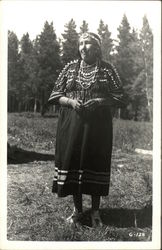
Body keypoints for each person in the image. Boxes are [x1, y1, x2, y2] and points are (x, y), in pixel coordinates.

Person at [48, 32, 126, 227]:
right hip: (71, 125)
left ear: (97, 47)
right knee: (73, 163)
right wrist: (71, 102)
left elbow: (120, 97)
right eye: (81, 43)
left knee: (95, 163)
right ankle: (77, 210)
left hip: (98, 127)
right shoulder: (70, 68)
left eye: (88, 43)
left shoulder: (107, 69)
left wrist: (100, 101)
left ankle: (96, 211)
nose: (83, 47)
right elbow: (56, 95)